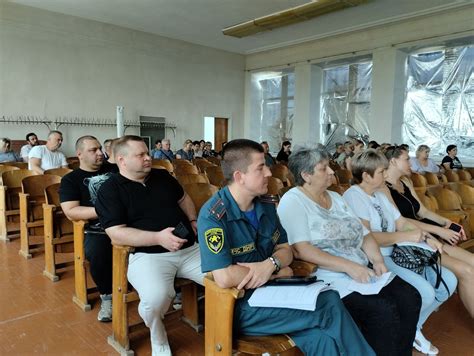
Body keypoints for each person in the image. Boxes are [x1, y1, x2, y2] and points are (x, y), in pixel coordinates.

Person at [198, 139, 375, 356]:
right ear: (239, 177)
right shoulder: (214, 216)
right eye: (260, 167)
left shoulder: (266, 205)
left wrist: (269, 264)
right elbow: (224, 277)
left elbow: (285, 250)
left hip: (275, 294)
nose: (269, 173)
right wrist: (275, 271)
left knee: (322, 338)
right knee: (328, 302)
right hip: (240, 307)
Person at [278, 145, 420, 356]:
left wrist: (378, 260)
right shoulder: (293, 201)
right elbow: (303, 250)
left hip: (360, 270)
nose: (331, 172)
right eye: (323, 168)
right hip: (326, 276)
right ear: (306, 175)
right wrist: (350, 267)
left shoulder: (335, 198)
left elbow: (364, 234)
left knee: (411, 298)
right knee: (383, 310)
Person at [95, 135, 203, 356]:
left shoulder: (162, 176)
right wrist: (158, 238)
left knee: (224, 277)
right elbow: (116, 233)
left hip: (190, 250)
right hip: (149, 255)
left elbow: (184, 199)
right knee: (155, 299)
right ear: (121, 160)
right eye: (141, 155)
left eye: (147, 152)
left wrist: (192, 220)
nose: (148, 158)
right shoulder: (109, 190)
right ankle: (158, 334)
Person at [343, 149, 458, 355]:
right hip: (374, 258)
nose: (386, 174)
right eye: (381, 171)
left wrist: (426, 236)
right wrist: (404, 236)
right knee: (425, 292)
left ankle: (412, 327)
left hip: (396, 253)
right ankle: (407, 329)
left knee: (448, 282)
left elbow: (402, 222)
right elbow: (367, 237)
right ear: (367, 176)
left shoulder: (379, 194)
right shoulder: (354, 197)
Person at [383, 145, 474, 318]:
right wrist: (439, 230)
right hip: (410, 239)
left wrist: (445, 222)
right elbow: (401, 222)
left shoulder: (406, 181)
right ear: (393, 161)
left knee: (473, 262)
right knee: (466, 271)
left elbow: (422, 211)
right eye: (407, 159)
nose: (411, 162)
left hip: (426, 231)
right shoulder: (383, 187)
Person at [60, 135, 117, 322]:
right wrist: (104, 211)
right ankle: (107, 296)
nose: (100, 153)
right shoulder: (71, 180)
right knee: (96, 252)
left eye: (100, 149)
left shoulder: (115, 170)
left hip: (128, 221)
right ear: (80, 154)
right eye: (93, 150)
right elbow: (71, 211)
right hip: (97, 228)